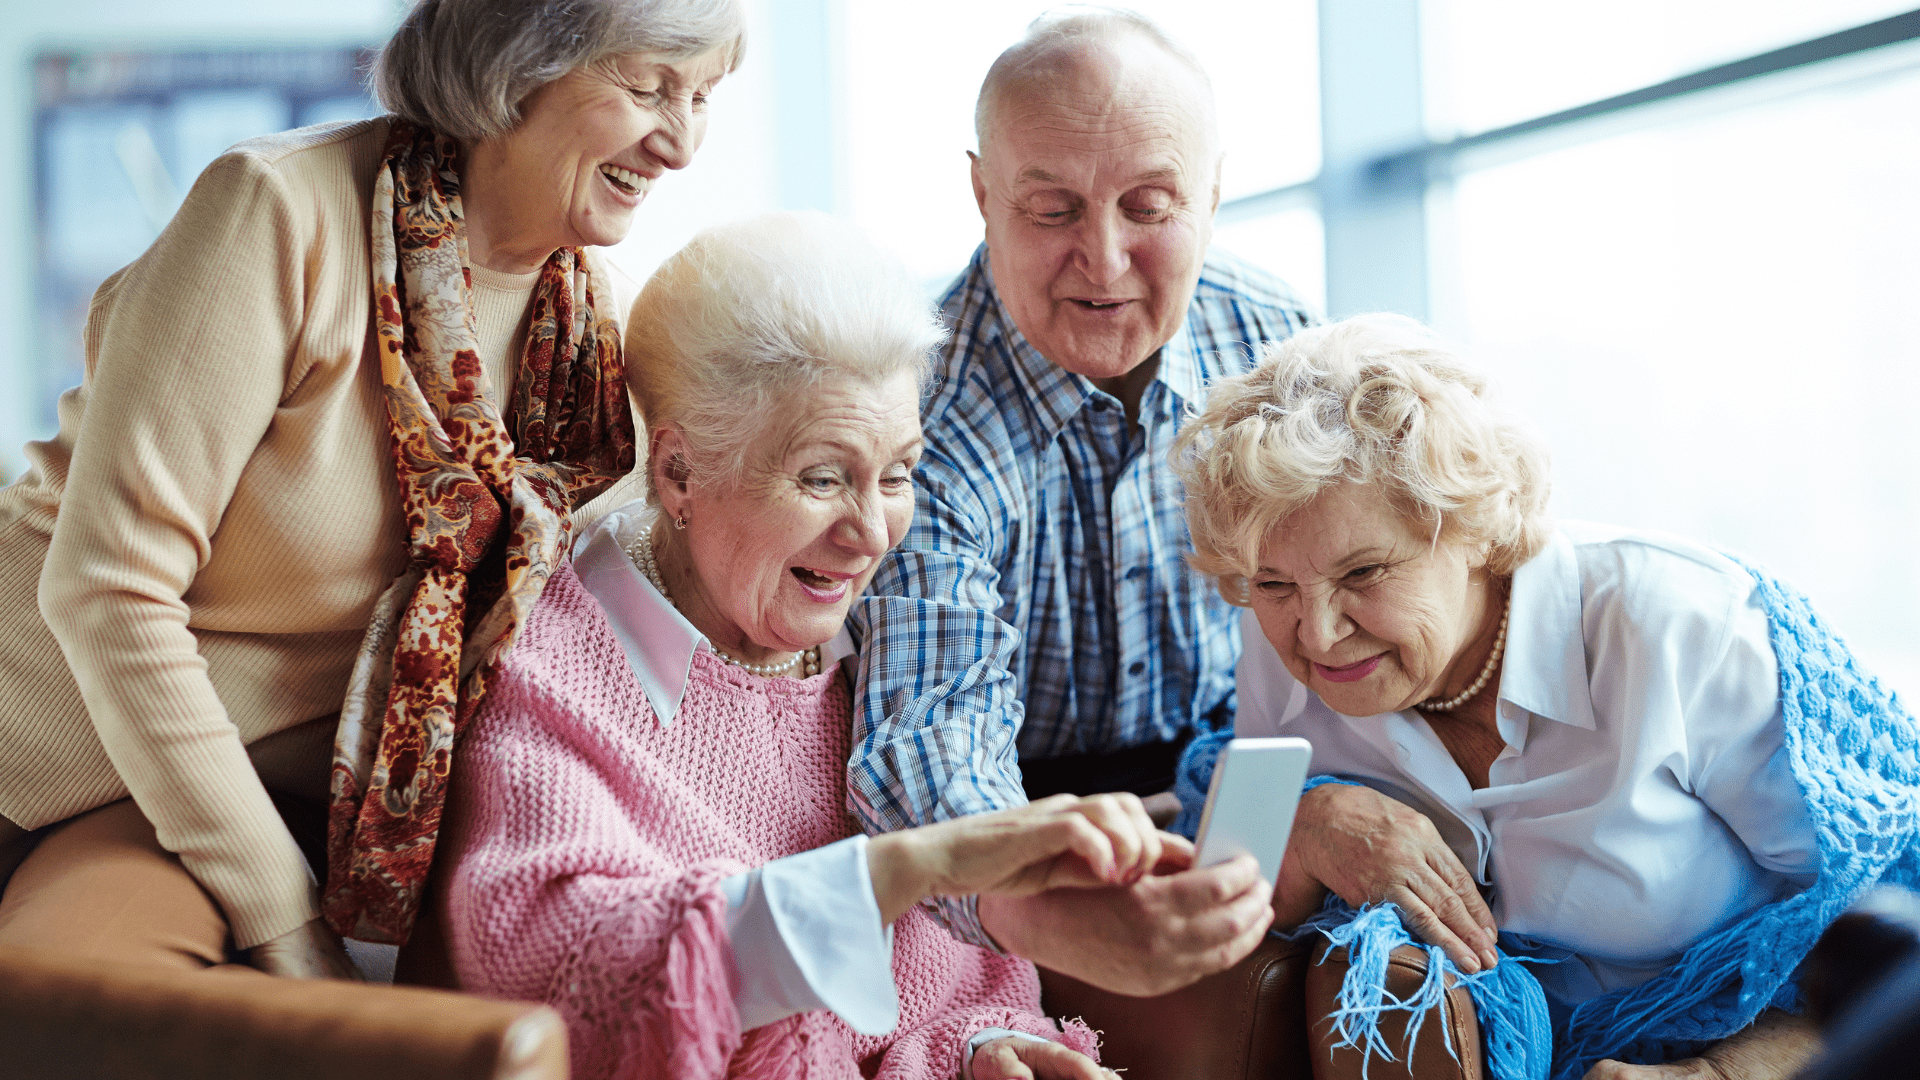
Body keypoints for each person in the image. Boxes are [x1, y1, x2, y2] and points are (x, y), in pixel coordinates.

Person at [0, 0, 742, 979]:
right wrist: (286, 921)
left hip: (297, 809)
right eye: (649, 87)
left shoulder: (590, 332)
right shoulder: (276, 212)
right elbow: (109, 591)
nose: (682, 144)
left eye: (703, 96)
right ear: (513, 62)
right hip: (64, 772)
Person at [442, 212, 1163, 1080]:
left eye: (897, 474)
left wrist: (981, 1050)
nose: (871, 534)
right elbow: (578, 976)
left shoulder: (885, 649)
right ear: (678, 473)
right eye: (824, 477)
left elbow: (961, 984)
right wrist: (905, 868)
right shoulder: (555, 664)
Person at [1171, 313, 1920, 1079]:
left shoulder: (1679, 630)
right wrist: (1307, 820)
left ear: (1477, 530)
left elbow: (1898, 942)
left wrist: (1722, 1074)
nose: (1319, 634)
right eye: (1271, 584)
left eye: (1363, 573)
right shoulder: (1282, 648)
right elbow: (1221, 878)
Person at [846, 6, 1307, 994]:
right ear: (982, 193)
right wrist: (1030, 900)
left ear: (1214, 194)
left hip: (1246, 776)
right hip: (1022, 820)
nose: (1102, 260)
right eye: (1052, 210)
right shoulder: (910, 413)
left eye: (1149, 206)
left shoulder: (1285, 346)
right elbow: (930, 728)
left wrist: (1337, 793)